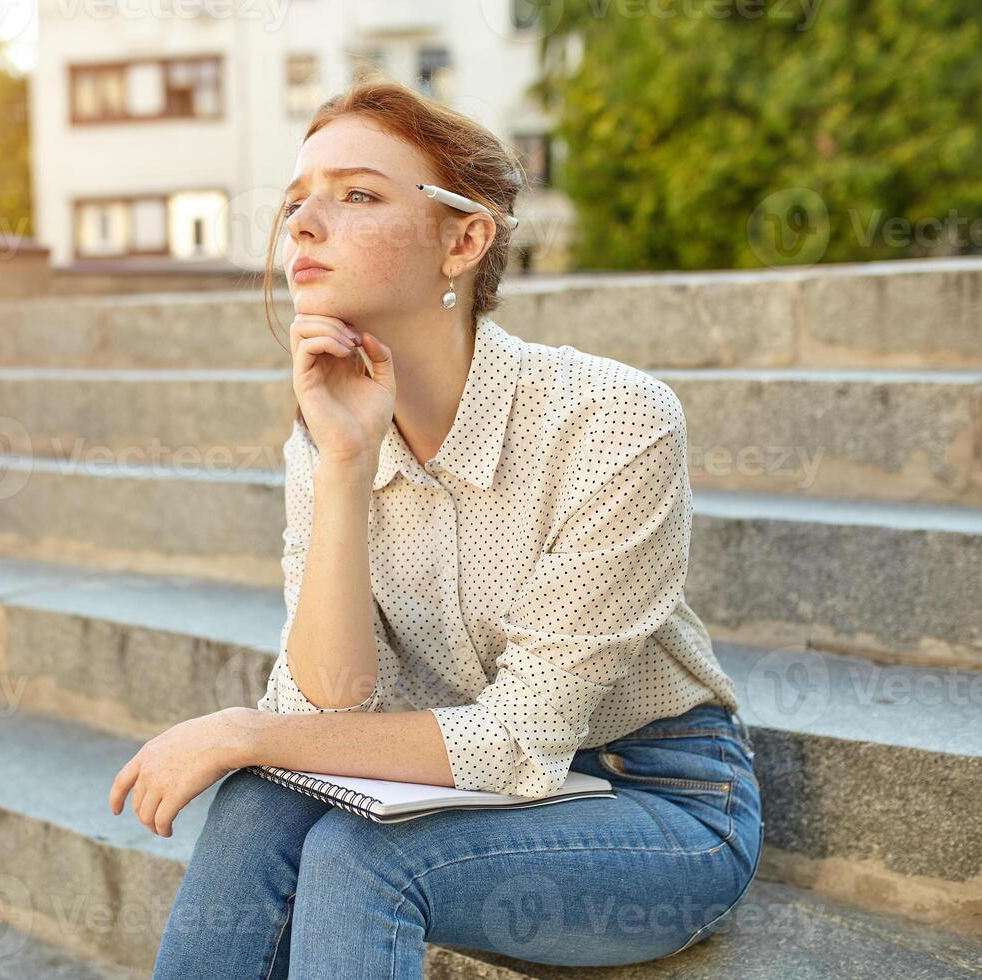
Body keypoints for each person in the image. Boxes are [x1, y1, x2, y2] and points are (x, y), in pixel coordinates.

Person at [114, 77, 763, 977]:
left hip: (658, 798)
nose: (303, 223)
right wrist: (345, 467)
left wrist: (240, 728)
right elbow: (326, 708)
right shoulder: (324, 436)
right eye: (299, 199)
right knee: (259, 803)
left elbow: (517, 740)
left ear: (463, 239)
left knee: (355, 853)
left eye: (358, 195)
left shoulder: (612, 417)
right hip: (469, 780)